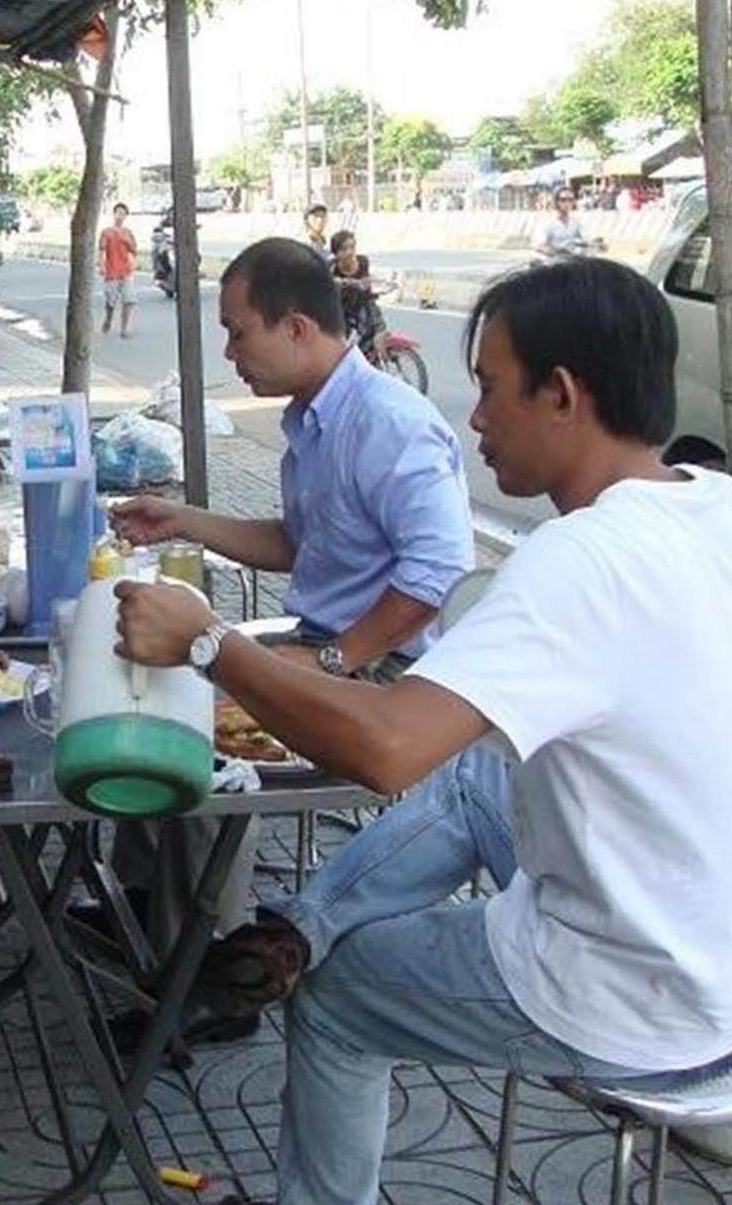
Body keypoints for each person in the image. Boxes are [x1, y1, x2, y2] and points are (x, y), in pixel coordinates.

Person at [109, 257, 732, 1205]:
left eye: (490, 385)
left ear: (562, 394)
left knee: (336, 996)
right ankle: (302, 918)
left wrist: (211, 645)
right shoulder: (724, 508)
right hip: (728, 945)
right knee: (481, 779)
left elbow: (386, 747)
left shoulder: (579, 561)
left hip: (632, 981)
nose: (473, 416)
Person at [105, 238, 470, 1020]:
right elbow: (298, 542)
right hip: (322, 643)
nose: (230, 351)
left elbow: (437, 572)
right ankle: (143, 903)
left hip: (381, 672)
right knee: (154, 687)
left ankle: (213, 970)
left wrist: (333, 660)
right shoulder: (312, 420)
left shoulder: (389, 422)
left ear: (297, 326)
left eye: (239, 331)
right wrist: (184, 520)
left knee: (201, 747)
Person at [98, 202, 139, 338]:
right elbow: (102, 250)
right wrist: (101, 265)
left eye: (123, 214)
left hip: (126, 271)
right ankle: (108, 319)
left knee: (129, 300)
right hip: (112, 271)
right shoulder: (106, 232)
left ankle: (124, 329)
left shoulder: (128, 233)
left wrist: (128, 243)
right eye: (118, 213)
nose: (120, 216)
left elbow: (134, 251)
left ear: (126, 216)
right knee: (111, 302)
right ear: (114, 214)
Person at [533, 186, 600, 261]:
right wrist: (555, 252)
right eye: (563, 200)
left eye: (570, 200)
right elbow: (539, 245)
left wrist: (596, 244)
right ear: (556, 202)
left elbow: (587, 239)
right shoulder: (546, 223)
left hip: (571, 261)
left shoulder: (576, 223)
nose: (567, 203)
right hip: (553, 262)